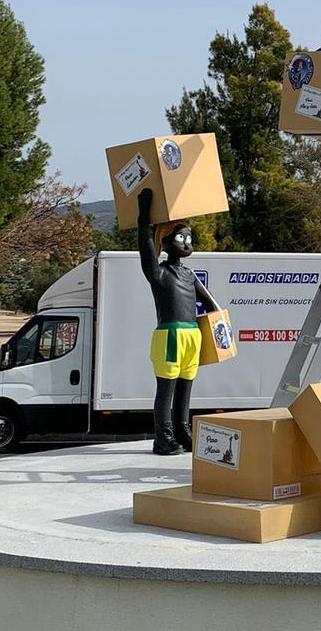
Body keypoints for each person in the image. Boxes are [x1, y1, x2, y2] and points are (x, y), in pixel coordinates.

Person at [137, 189, 218, 455]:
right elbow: (147, 253)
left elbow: (211, 305)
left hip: (193, 335)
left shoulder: (189, 275)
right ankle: (163, 436)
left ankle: (183, 431)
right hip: (170, 336)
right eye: (181, 237)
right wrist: (143, 220)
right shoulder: (159, 272)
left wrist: (220, 327)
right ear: (167, 242)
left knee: (186, 385)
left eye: (189, 237)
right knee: (167, 388)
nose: (186, 242)